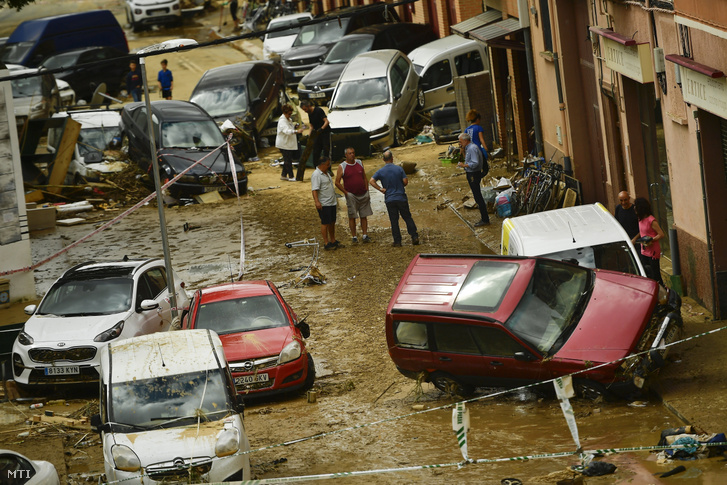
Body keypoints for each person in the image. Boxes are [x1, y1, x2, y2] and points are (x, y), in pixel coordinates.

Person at [369, 150, 419, 247]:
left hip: (389, 199)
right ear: (392, 158)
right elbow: (405, 182)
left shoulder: (380, 171)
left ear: (383, 159)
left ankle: (397, 241)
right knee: (407, 217)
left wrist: (380, 189)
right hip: (401, 197)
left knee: (394, 221)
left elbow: (371, 181)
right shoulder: (399, 169)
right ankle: (414, 237)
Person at [335, 147, 372, 243]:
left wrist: (367, 189)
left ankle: (365, 235)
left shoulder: (359, 162)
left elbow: (364, 177)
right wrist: (346, 192)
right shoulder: (342, 166)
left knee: (364, 215)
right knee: (352, 216)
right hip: (351, 195)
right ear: (346, 155)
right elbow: (337, 182)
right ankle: (354, 236)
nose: (352, 155)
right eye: (350, 153)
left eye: (353, 153)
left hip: (363, 193)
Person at [457, 132, 490, 227]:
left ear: (466, 140)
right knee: (477, 196)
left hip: (474, 174)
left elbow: (475, 163)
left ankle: (485, 219)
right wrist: (462, 151)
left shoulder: (472, 148)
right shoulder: (469, 148)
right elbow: (468, 160)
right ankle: (484, 218)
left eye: (460, 141)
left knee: (478, 196)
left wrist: (464, 165)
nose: (460, 143)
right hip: (472, 173)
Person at [312, 156, 342, 250]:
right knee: (325, 222)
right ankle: (326, 242)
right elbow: (314, 190)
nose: (329, 166)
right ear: (322, 164)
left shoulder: (326, 173)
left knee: (332, 221)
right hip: (324, 203)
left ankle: (333, 240)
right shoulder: (316, 174)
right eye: (327, 164)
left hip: (332, 201)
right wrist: (317, 201)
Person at [633, 197, 665, 285]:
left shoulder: (651, 220)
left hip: (653, 251)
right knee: (647, 272)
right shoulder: (640, 219)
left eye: (636, 206)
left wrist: (651, 240)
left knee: (655, 274)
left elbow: (661, 234)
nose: (634, 208)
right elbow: (642, 232)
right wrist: (636, 239)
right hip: (644, 250)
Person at [276, 104, 304, 181]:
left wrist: (294, 128)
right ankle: (291, 176)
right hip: (284, 144)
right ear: (285, 113)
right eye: (289, 114)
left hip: (288, 143)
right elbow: (286, 131)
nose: (290, 115)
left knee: (287, 160)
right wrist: (296, 131)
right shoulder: (282, 121)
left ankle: (284, 175)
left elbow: (289, 128)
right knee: (288, 160)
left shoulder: (289, 120)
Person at [300, 99, 331, 165]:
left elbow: (326, 121)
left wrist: (321, 129)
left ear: (308, 106)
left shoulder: (318, 110)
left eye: (305, 109)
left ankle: (328, 167)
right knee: (316, 150)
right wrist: (309, 134)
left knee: (326, 150)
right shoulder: (309, 114)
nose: (305, 111)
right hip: (317, 134)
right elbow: (311, 125)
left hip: (325, 133)